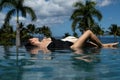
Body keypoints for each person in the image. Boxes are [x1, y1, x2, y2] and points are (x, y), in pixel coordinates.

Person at [25, 30, 119, 53]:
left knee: (88, 44)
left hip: (70, 45)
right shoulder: (39, 48)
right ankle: (103, 46)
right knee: (88, 32)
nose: (33, 37)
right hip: (72, 48)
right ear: (32, 42)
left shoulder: (45, 41)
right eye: (31, 38)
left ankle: (106, 46)